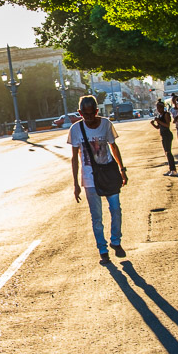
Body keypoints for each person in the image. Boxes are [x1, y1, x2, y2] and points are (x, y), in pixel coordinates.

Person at [68, 95, 128, 264]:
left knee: (116, 209)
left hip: (109, 173)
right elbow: (74, 158)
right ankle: (102, 249)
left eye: (91, 113)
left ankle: (116, 241)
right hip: (89, 177)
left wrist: (122, 170)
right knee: (97, 217)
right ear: (80, 113)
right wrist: (76, 184)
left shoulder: (106, 124)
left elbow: (113, 147)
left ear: (96, 111)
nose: (89, 118)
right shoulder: (75, 129)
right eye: (85, 114)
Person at [150, 99, 178, 176]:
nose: (158, 110)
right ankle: (170, 168)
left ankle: (173, 169)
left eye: (159, 108)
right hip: (163, 135)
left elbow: (167, 125)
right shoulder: (159, 116)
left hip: (167, 134)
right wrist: (153, 124)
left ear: (163, 107)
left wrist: (159, 121)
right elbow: (158, 127)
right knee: (166, 152)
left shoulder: (166, 114)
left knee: (169, 152)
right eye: (157, 108)